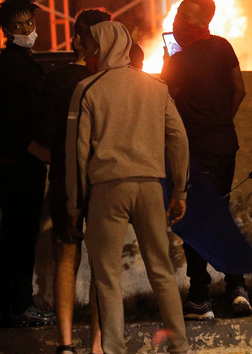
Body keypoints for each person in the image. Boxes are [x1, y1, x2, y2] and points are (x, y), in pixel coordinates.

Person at [66, 20, 190, 354]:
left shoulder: (88, 89)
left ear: (104, 46)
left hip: (108, 189)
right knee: (162, 271)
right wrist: (180, 189)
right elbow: (178, 139)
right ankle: (179, 345)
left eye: (92, 45)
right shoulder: (155, 87)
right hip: (150, 186)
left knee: (107, 278)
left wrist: (75, 207)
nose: (88, 51)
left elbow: (77, 155)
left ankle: (115, 349)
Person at [160, 0, 249, 319]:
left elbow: (164, 101)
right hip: (224, 145)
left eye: (186, 15)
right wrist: (222, 121)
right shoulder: (223, 46)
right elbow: (239, 90)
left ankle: (199, 296)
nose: (179, 19)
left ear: (203, 21)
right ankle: (237, 286)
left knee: (194, 219)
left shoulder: (178, 60)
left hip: (193, 150)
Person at [31, 9, 109, 354]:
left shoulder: (57, 79)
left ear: (77, 39)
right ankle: (97, 343)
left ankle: (65, 343)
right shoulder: (116, 79)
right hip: (106, 178)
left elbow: (45, 136)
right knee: (101, 263)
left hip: (66, 176)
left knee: (66, 255)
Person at [0, 0, 55, 326]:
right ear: (6, 30)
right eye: (18, 25)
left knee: (14, 235)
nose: (26, 28)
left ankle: (9, 304)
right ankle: (19, 305)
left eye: (29, 22)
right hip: (19, 166)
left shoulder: (24, 62)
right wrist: (46, 157)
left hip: (20, 164)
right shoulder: (14, 67)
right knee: (20, 235)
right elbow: (18, 126)